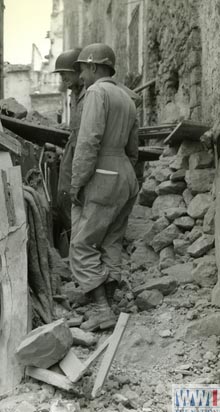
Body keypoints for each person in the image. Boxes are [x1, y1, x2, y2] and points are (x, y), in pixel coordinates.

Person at [69, 43, 139, 331]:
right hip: (125, 174)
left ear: (95, 67)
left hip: (103, 171)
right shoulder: (127, 97)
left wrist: (77, 182)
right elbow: (134, 149)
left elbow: (88, 141)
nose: (81, 77)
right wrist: (126, 174)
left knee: (81, 243)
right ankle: (110, 302)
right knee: (111, 241)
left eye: (83, 69)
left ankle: (101, 310)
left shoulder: (97, 93)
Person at [54, 48, 85, 234]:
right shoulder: (73, 94)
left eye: (65, 73)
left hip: (82, 147)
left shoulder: (90, 93)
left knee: (75, 195)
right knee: (63, 194)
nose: (62, 78)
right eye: (60, 75)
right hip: (72, 145)